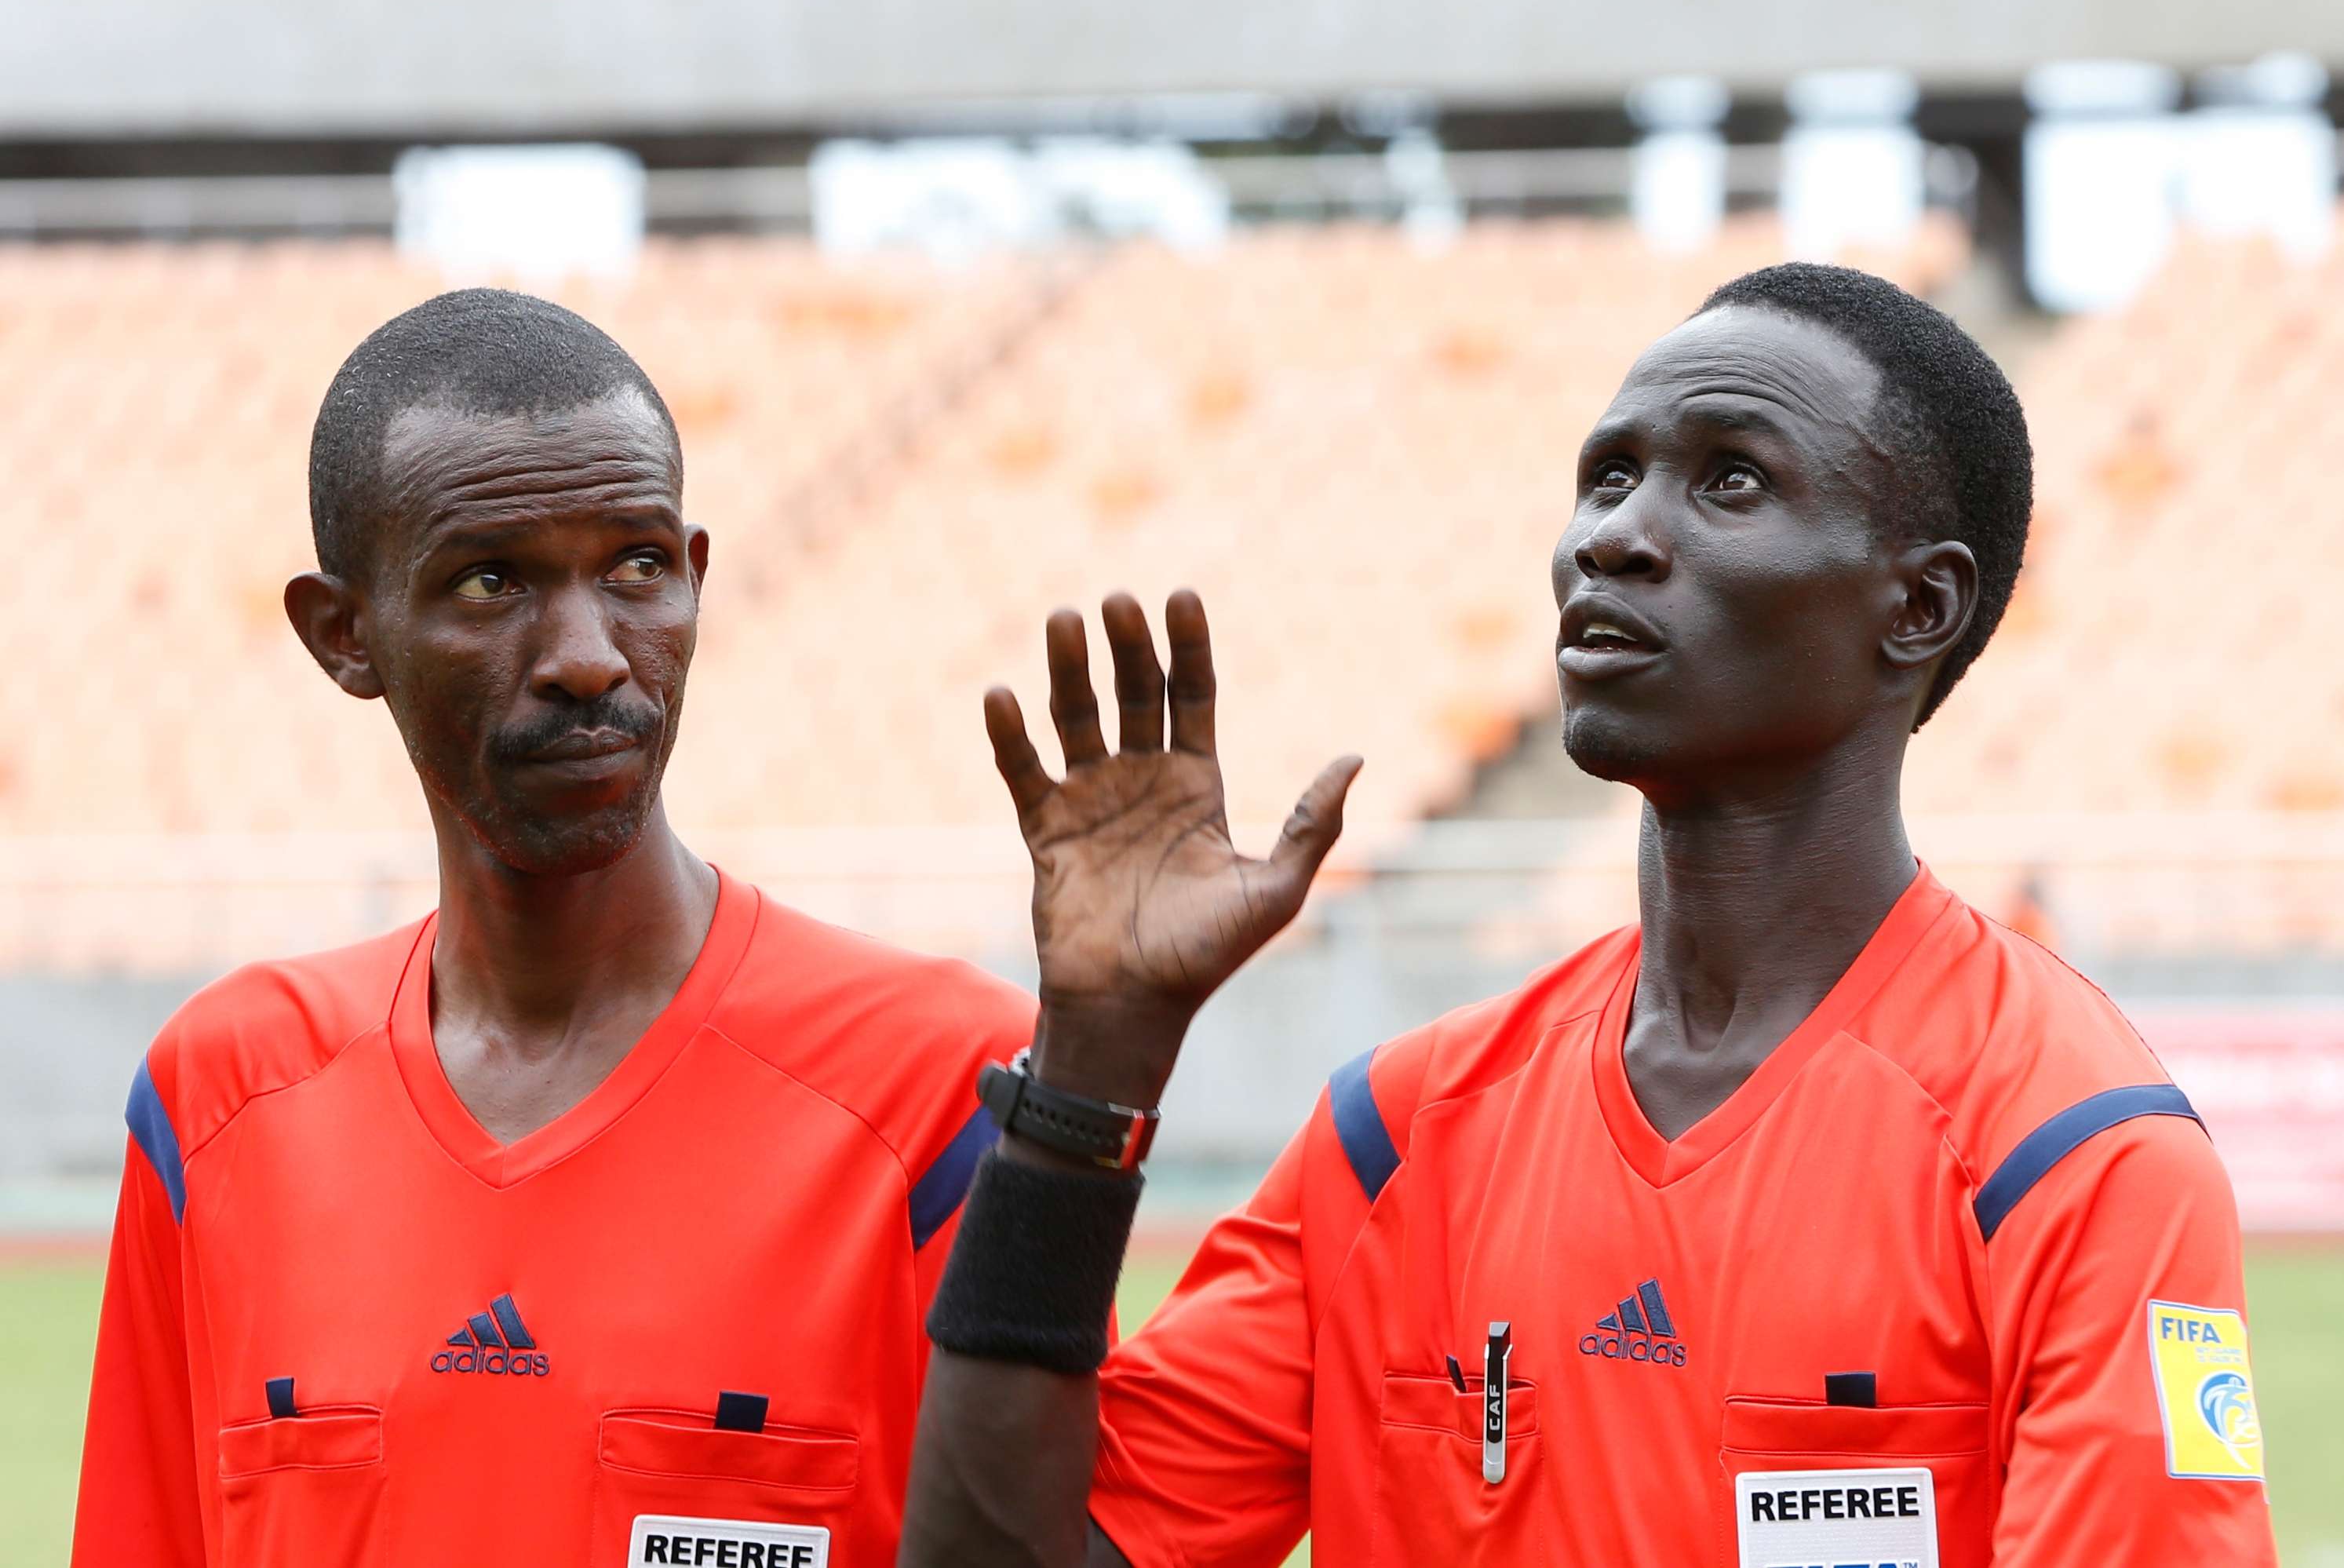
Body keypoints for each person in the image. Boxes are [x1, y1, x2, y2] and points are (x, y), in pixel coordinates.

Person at [899, 264, 2278, 1566]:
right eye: (1606, 475)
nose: (1614, 535)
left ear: (1918, 606)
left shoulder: (2072, 1155)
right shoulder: (1394, 1140)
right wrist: (1094, 1066)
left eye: (1730, 480)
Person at [71, 289, 1033, 1567]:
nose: (588, 655)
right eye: (490, 580)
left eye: (636, 565)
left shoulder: (943, 1087)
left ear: (695, 577)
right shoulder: (220, 1095)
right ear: (343, 635)